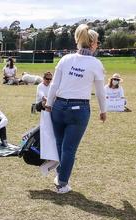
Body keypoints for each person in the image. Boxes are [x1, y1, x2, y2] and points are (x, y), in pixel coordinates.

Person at [45, 24, 107, 194]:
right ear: (92, 42)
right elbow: (101, 91)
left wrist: (49, 104)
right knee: (69, 149)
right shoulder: (95, 63)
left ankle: (60, 176)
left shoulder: (66, 59)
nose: (98, 45)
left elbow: (54, 85)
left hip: (58, 106)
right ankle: (62, 183)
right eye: (98, 42)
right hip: (79, 110)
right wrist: (103, 110)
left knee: (60, 145)